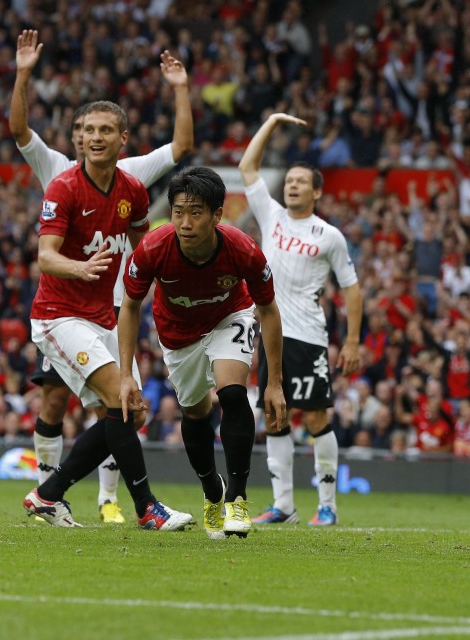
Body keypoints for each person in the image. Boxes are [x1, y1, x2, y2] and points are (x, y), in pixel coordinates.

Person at [10, 29, 194, 524]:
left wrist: (168, 284)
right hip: (58, 314)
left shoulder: (132, 184)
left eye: (105, 130)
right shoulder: (62, 181)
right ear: (76, 137)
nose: (95, 137)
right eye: (87, 130)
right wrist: (24, 74)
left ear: (122, 138)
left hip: (103, 316)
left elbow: (143, 243)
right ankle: (146, 508)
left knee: (129, 412)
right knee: (103, 399)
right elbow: (46, 257)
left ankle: (49, 493)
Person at [118, 166, 287, 539]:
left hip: (230, 315)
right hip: (177, 333)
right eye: (179, 211)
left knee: (232, 393)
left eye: (196, 212)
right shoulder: (153, 248)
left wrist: (274, 382)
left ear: (217, 215)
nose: (185, 221)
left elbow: (270, 311)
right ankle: (213, 491)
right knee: (195, 412)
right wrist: (126, 372)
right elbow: (129, 307)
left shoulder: (242, 249)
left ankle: (238, 501)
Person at [238, 113, 363, 526]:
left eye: (300, 181)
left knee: (314, 418)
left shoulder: (328, 235)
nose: (291, 184)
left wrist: (351, 341)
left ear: (317, 191)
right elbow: (247, 168)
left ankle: (327, 505)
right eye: (288, 180)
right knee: (275, 415)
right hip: (270, 336)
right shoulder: (271, 216)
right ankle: (284, 506)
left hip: (308, 338)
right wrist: (271, 122)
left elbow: (352, 287)